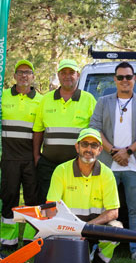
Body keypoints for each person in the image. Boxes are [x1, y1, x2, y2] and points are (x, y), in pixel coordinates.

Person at [89, 61, 136, 261]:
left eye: (128, 77)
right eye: (120, 77)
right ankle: (99, 248)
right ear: (115, 80)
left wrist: (127, 151)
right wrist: (113, 151)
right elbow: (94, 127)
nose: (124, 80)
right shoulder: (103, 102)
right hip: (107, 164)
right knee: (102, 208)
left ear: (134, 79)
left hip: (134, 164)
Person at [45, 128, 122, 263]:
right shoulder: (61, 170)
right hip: (68, 226)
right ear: (77, 147)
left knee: (117, 229)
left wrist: (86, 228)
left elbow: (113, 211)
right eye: (85, 144)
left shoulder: (107, 174)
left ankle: (99, 262)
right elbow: (51, 207)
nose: (89, 149)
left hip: (95, 225)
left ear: (99, 150)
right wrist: (64, 230)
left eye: (94, 145)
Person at [33, 59, 97, 207]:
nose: (67, 76)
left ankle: (72, 231)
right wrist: (37, 156)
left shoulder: (89, 100)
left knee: (74, 203)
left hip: (78, 164)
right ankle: (49, 231)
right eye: (63, 73)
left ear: (78, 75)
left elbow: (95, 132)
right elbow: (38, 130)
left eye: (71, 73)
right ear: (59, 75)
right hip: (49, 164)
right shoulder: (46, 100)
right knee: (48, 202)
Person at [0, 59, 45, 251]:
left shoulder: (41, 100)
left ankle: (29, 240)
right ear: (14, 76)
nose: (24, 75)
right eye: (20, 72)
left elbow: (41, 130)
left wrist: (37, 156)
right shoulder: (2, 96)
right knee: (9, 198)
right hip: (9, 158)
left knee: (32, 200)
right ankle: (8, 241)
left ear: (33, 77)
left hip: (30, 158)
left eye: (28, 72)